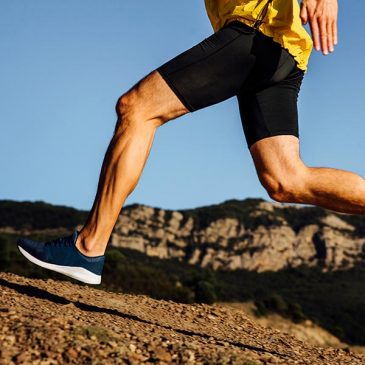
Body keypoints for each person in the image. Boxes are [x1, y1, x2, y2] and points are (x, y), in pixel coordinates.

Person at [19, 0, 363, 286]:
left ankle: (88, 246)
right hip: (281, 50)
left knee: (137, 108)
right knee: (286, 180)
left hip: (257, 27)